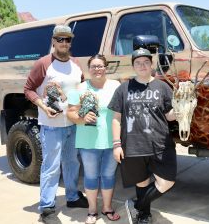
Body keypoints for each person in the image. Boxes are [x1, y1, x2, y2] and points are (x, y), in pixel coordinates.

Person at [24, 25, 88, 223]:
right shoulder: (44, 63)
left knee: (71, 162)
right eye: (60, 39)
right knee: (51, 166)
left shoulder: (76, 64)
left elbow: (82, 87)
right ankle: (46, 207)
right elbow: (28, 89)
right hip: (51, 125)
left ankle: (72, 196)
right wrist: (43, 107)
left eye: (67, 39)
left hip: (72, 123)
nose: (64, 43)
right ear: (53, 41)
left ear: (71, 42)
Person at [108, 48, 177, 224]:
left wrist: (181, 109)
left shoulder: (162, 86)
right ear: (133, 66)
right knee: (141, 182)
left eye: (146, 62)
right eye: (138, 62)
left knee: (167, 181)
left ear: (151, 64)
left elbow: (169, 115)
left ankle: (137, 204)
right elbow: (116, 119)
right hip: (133, 144)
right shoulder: (123, 89)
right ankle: (144, 215)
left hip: (160, 143)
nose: (142, 65)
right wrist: (116, 144)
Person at [67, 55, 121, 224]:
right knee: (91, 177)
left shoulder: (116, 86)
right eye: (94, 66)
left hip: (112, 140)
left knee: (108, 176)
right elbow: (70, 113)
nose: (97, 69)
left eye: (100, 66)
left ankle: (107, 207)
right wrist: (82, 119)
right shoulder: (80, 88)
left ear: (106, 68)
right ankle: (92, 211)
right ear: (88, 69)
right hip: (88, 140)